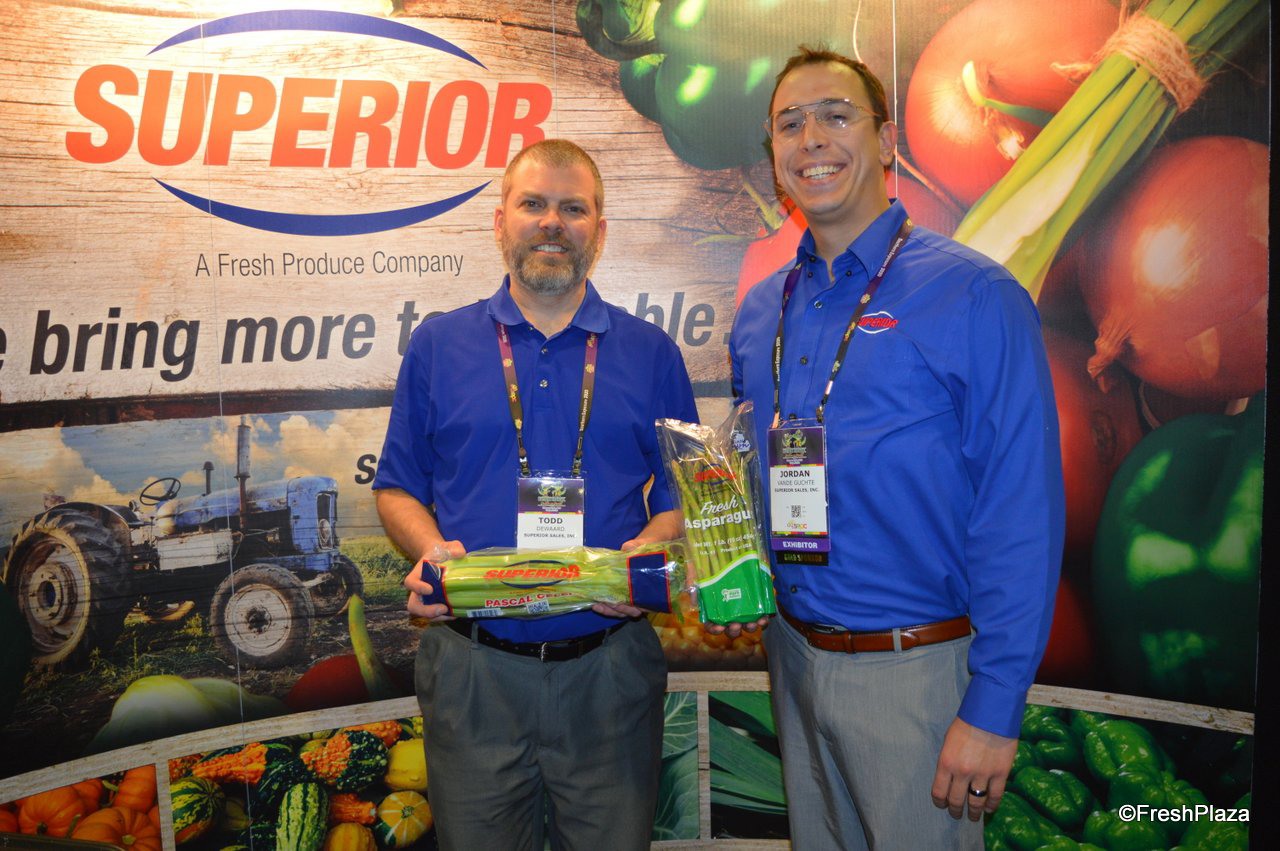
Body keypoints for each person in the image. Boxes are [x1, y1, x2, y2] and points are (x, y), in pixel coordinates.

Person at [728, 48, 1065, 849]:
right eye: (789, 123)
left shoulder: (975, 294)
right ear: (773, 155)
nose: (812, 137)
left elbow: (1022, 510)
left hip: (918, 677)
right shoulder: (759, 312)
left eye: (836, 115)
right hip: (792, 659)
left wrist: (993, 706)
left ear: (885, 141)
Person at [373, 139, 697, 851]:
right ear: (501, 222)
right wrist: (431, 550)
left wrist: (643, 554)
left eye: (573, 208)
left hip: (609, 669)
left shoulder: (651, 353)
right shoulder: (438, 345)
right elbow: (396, 487)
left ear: (599, 231)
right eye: (534, 204)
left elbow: (681, 498)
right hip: (473, 670)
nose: (552, 222)